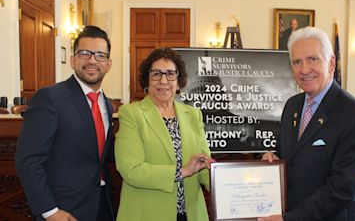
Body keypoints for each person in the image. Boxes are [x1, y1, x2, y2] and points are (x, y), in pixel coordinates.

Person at [260, 27, 355, 221]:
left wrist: (290, 219)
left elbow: (342, 189)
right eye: (297, 62)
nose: (304, 70)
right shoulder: (292, 105)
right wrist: (273, 159)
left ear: (330, 64)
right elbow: (287, 153)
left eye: (312, 59)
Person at [16, 26, 115, 221]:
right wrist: (50, 211)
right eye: (85, 53)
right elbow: (28, 160)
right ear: (72, 60)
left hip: (102, 205)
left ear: (109, 64)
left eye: (100, 55)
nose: (92, 60)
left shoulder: (107, 104)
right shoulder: (50, 98)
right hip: (63, 210)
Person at [115, 47, 213, 221]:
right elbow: (131, 170)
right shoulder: (131, 114)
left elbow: (204, 166)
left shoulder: (193, 115)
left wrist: (231, 186)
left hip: (191, 214)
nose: (163, 80)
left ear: (178, 79)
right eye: (156, 74)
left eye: (170, 74)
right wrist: (182, 171)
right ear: (147, 79)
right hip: (147, 213)